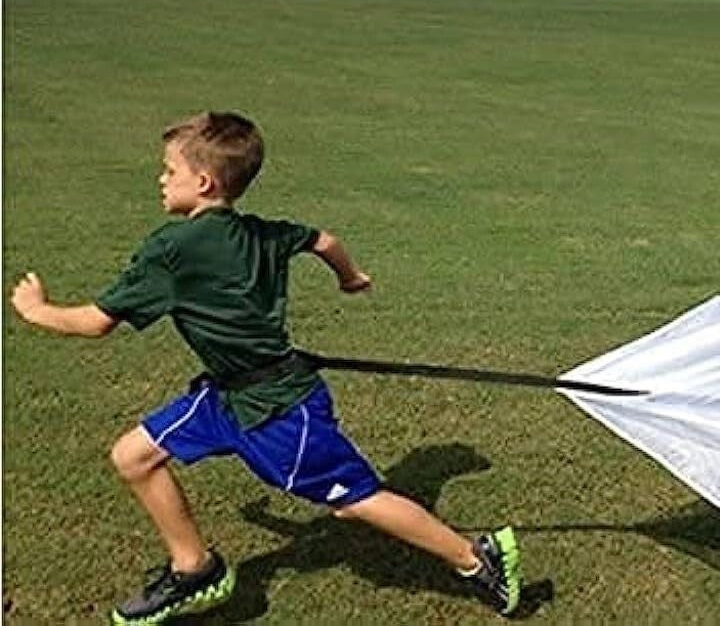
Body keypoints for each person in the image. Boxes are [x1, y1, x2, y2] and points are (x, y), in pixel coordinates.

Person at [10, 111, 522, 624]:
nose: (161, 179)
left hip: (279, 410)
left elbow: (96, 322)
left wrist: (37, 311)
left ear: (204, 181)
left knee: (354, 501)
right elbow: (322, 239)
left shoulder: (172, 249)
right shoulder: (260, 233)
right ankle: (195, 568)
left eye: (169, 170)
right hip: (227, 396)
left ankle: (476, 558)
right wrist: (350, 276)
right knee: (134, 457)